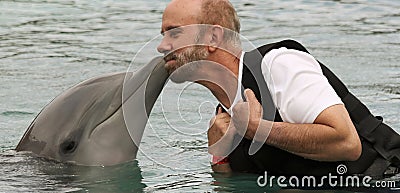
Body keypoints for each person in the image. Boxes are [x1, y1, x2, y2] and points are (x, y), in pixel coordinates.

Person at [157, 0, 400, 177]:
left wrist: (256, 129)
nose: (161, 46)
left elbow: (347, 144)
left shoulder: (279, 65)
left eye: (174, 33)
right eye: (162, 34)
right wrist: (219, 156)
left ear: (212, 38)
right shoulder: (223, 116)